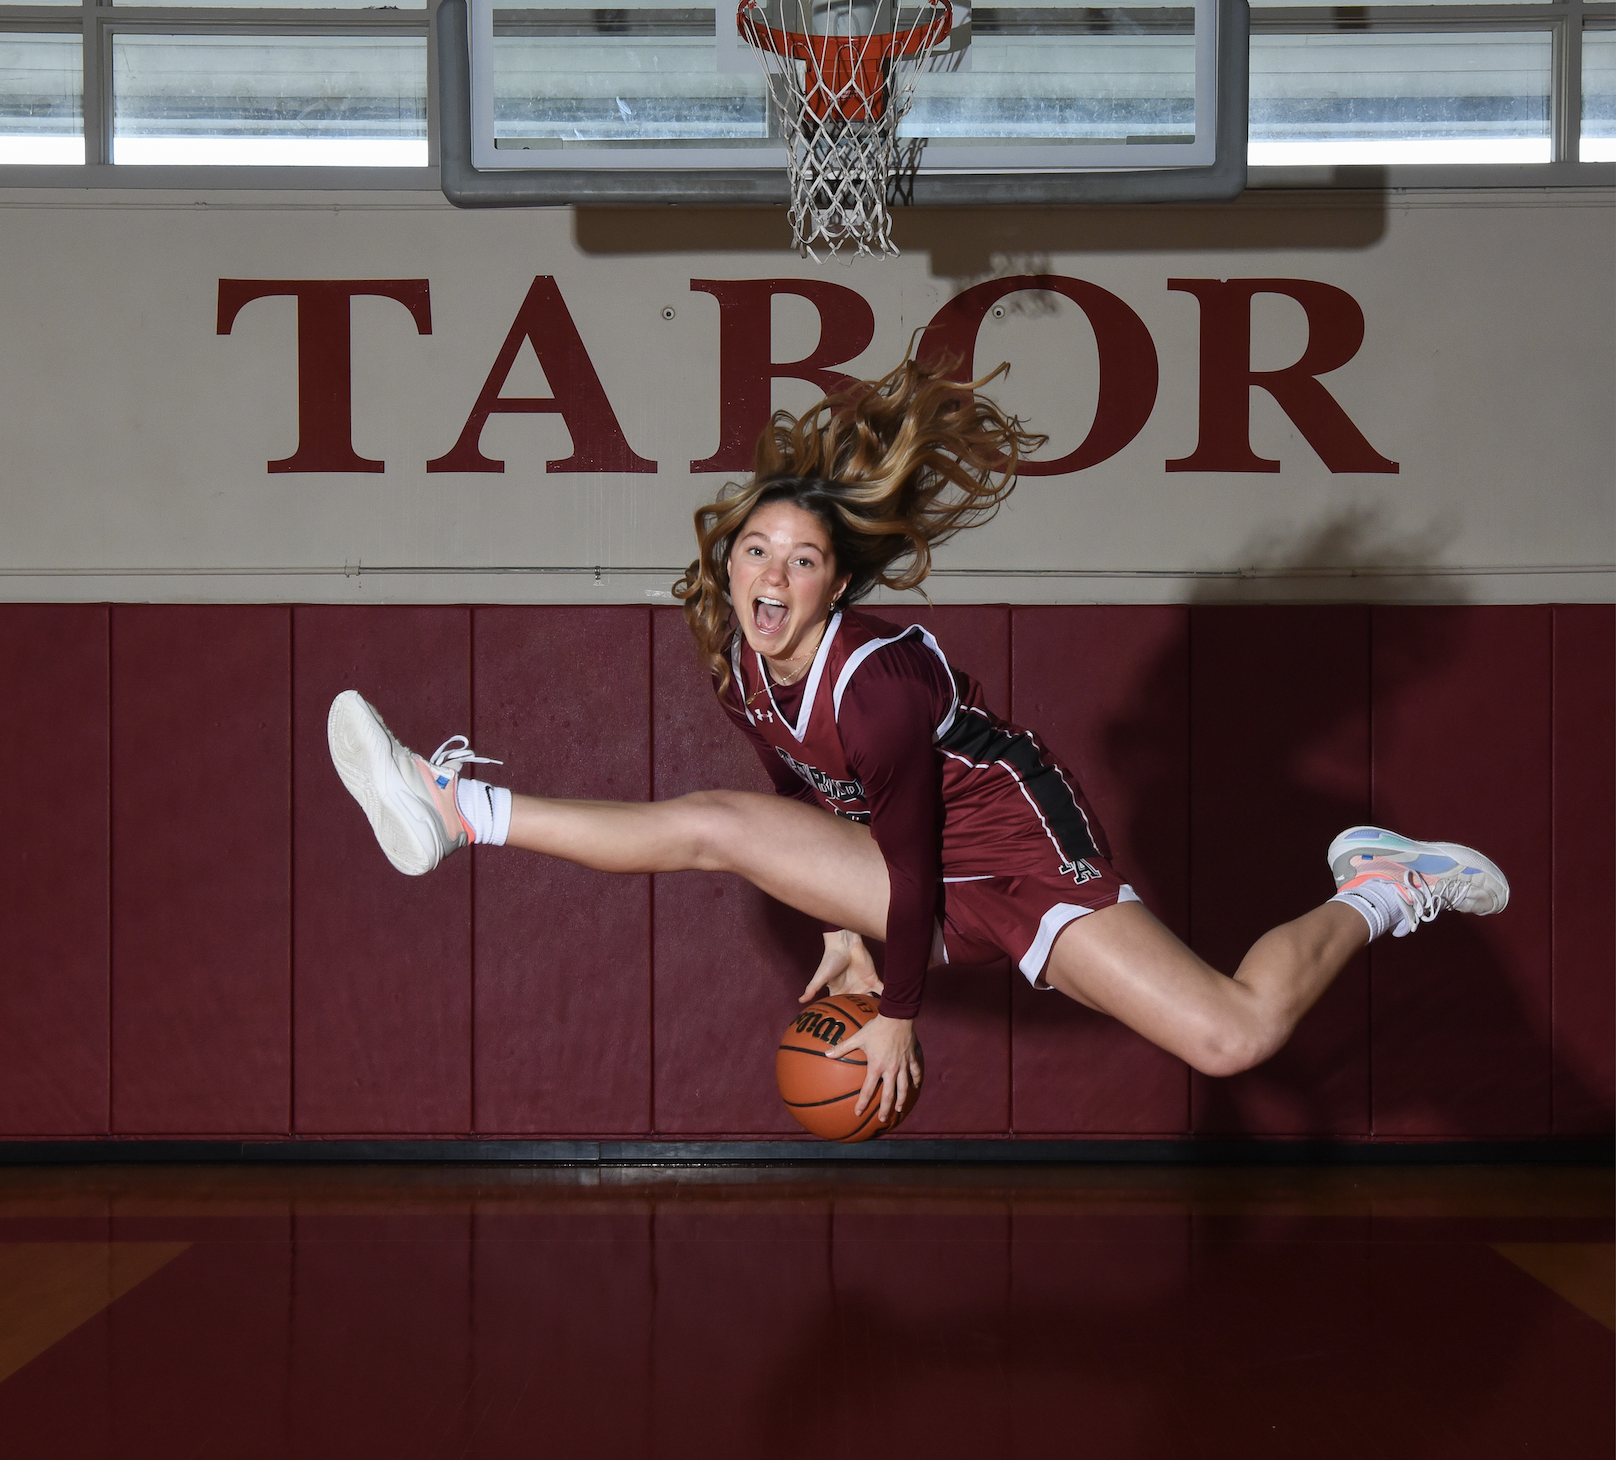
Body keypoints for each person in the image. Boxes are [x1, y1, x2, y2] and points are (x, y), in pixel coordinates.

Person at [327, 358, 1509, 1127]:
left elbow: (905, 853)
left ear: (836, 583)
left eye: (801, 559)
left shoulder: (879, 685)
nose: (771, 572)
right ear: (727, 560)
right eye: (755, 550)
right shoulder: (739, 655)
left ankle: (1379, 884)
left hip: (1020, 851)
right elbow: (806, 795)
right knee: (717, 828)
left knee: (1231, 1036)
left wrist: (895, 1009)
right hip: (912, 864)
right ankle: (455, 805)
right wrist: (838, 925)